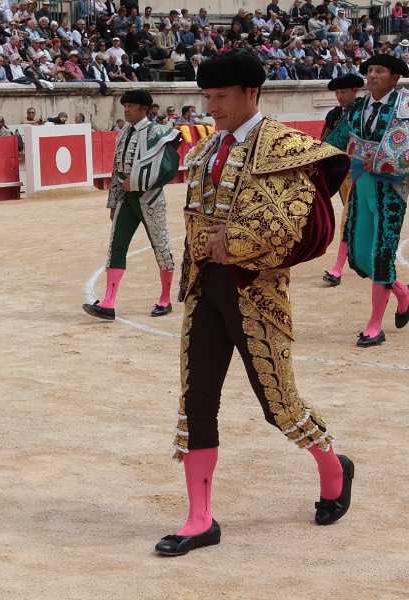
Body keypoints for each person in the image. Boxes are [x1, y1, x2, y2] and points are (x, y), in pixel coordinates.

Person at [156, 50, 353, 558]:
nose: (212, 107)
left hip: (257, 293)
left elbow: (307, 227)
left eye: (220, 96)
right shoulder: (203, 154)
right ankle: (200, 518)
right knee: (195, 401)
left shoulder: (286, 148)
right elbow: (194, 223)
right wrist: (205, 244)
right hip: (205, 289)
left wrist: (236, 240)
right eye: (207, 97)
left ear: (251, 92)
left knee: (279, 406)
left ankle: (334, 466)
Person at [324, 53, 409, 347]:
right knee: (360, 257)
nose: (372, 75)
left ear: (394, 78)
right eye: (370, 70)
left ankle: (374, 325)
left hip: (391, 190)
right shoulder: (356, 107)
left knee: (382, 253)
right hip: (360, 183)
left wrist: (384, 162)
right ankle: (403, 292)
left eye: (380, 71)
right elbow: (334, 143)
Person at [83, 89, 181, 321]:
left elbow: (167, 168)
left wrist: (137, 181)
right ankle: (108, 303)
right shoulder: (123, 133)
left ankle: (165, 299)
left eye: (131, 105)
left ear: (144, 109)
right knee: (116, 247)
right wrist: (113, 203)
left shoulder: (159, 132)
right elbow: (117, 168)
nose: (126, 109)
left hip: (151, 199)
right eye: (125, 105)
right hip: (126, 201)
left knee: (161, 246)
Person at [320, 73, 364, 287]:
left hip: (359, 170)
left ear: (355, 90)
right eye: (337, 93)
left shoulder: (364, 110)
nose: (339, 96)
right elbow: (324, 141)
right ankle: (363, 257)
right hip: (342, 171)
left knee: (349, 216)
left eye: (343, 92)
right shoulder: (336, 114)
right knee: (352, 213)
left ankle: (338, 269)